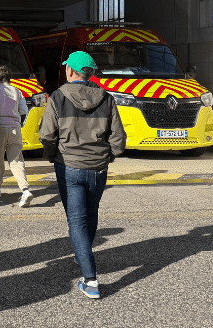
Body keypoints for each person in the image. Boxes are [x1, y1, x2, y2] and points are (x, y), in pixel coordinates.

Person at [38, 51, 126, 300]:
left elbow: (47, 135)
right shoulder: (107, 99)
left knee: (76, 220)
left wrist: (51, 155)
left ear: (70, 71)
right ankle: (82, 252)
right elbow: (118, 140)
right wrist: (108, 156)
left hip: (69, 167)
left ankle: (90, 279)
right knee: (91, 212)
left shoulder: (57, 97)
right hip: (98, 168)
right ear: (90, 73)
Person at [0, 66, 33, 207]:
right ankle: (25, 190)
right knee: (16, 160)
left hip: (0, 128)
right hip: (15, 128)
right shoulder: (17, 91)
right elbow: (23, 110)